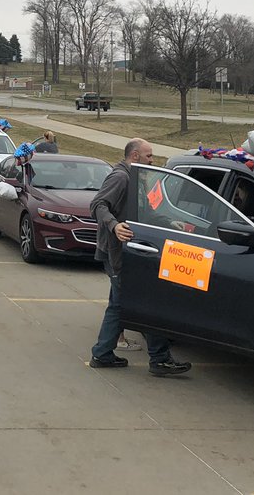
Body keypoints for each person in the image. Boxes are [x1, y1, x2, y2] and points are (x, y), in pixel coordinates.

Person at [88, 138, 191, 377]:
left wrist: (169, 222)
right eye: (148, 156)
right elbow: (98, 204)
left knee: (120, 304)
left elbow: (145, 213)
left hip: (131, 252)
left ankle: (103, 354)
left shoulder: (136, 178)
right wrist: (114, 226)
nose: (152, 160)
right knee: (145, 302)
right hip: (118, 253)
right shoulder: (120, 178)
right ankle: (159, 358)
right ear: (134, 156)